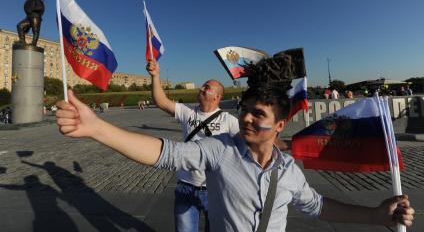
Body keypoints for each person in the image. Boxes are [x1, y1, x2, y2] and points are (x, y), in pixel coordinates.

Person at [56, 53, 414, 232]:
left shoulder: (288, 170)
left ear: (280, 124)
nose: (246, 118)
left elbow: (319, 206)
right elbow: (166, 154)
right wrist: (98, 128)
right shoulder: (220, 149)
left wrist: (377, 216)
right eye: (244, 110)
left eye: (258, 114)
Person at [146, 58, 239, 232]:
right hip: (185, 185)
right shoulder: (187, 112)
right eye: (202, 85)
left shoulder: (229, 121)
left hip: (215, 188)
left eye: (207, 87)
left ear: (217, 96)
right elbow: (161, 101)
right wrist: (155, 75)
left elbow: (245, 148)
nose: (201, 88)